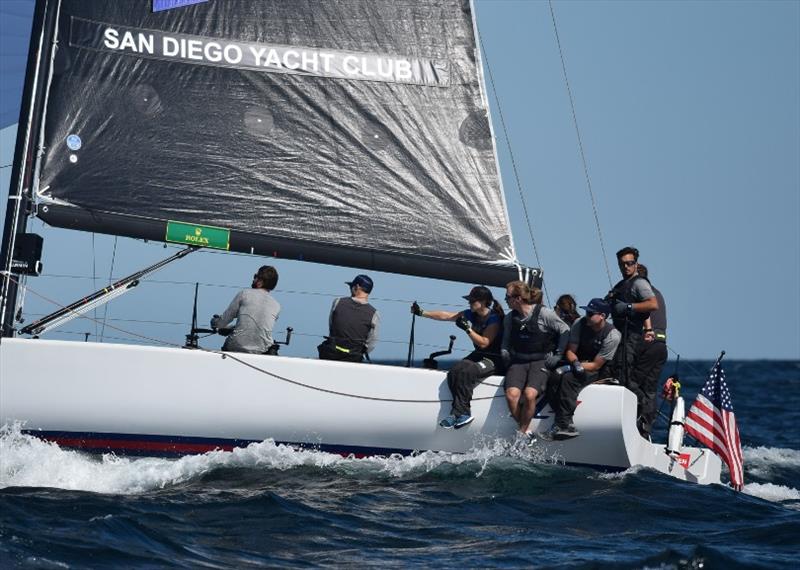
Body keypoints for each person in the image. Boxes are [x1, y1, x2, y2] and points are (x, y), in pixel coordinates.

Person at [412, 286, 504, 429]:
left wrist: (468, 329)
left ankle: (463, 413)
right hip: (480, 355)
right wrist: (422, 313)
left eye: (473, 301)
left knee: (468, 371)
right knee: (455, 370)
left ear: (484, 302)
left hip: (494, 358)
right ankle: (457, 414)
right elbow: (448, 316)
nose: (469, 303)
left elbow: (484, 343)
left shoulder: (494, 319)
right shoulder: (471, 314)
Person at [544, 297, 621, 439]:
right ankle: (556, 414)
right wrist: (574, 363)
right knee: (554, 375)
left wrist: (577, 367)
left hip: (597, 369)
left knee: (569, 379)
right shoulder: (579, 324)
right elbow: (570, 351)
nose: (587, 316)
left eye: (591, 314)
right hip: (577, 362)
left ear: (602, 316)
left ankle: (566, 424)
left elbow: (596, 365)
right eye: (586, 312)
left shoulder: (612, 336)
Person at [502, 281, 570, 437]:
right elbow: (506, 338)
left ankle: (521, 432)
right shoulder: (509, 318)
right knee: (512, 395)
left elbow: (565, 329)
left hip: (540, 361)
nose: (505, 300)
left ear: (518, 298)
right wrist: (504, 350)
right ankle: (524, 431)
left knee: (529, 394)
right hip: (519, 361)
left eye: (507, 297)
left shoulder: (544, 314)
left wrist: (559, 354)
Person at [605, 246, 658, 393]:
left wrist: (629, 307)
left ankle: (639, 408)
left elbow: (653, 304)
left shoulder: (639, 283)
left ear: (636, 264)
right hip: (619, 335)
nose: (626, 266)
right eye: (622, 264)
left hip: (631, 336)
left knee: (624, 372)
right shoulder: (621, 285)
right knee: (613, 370)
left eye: (630, 263)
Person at [630, 263, 668, 437]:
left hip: (647, 344)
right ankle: (645, 428)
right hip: (661, 346)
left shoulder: (640, 293)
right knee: (650, 389)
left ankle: (635, 420)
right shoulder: (657, 292)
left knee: (630, 383)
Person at [211, 265, 280, 354]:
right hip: (262, 350)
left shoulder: (244, 294)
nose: (253, 279)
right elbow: (257, 326)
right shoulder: (277, 305)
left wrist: (215, 322)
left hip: (236, 346)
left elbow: (222, 322)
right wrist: (232, 328)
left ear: (260, 282)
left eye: (255, 277)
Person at [318, 274, 380, 362]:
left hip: (331, 354)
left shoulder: (338, 302)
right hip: (353, 358)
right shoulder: (374, 313)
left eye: (351, 286)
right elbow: (371, 343)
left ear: (357, 287)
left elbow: (331, 327)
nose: (350, 289)